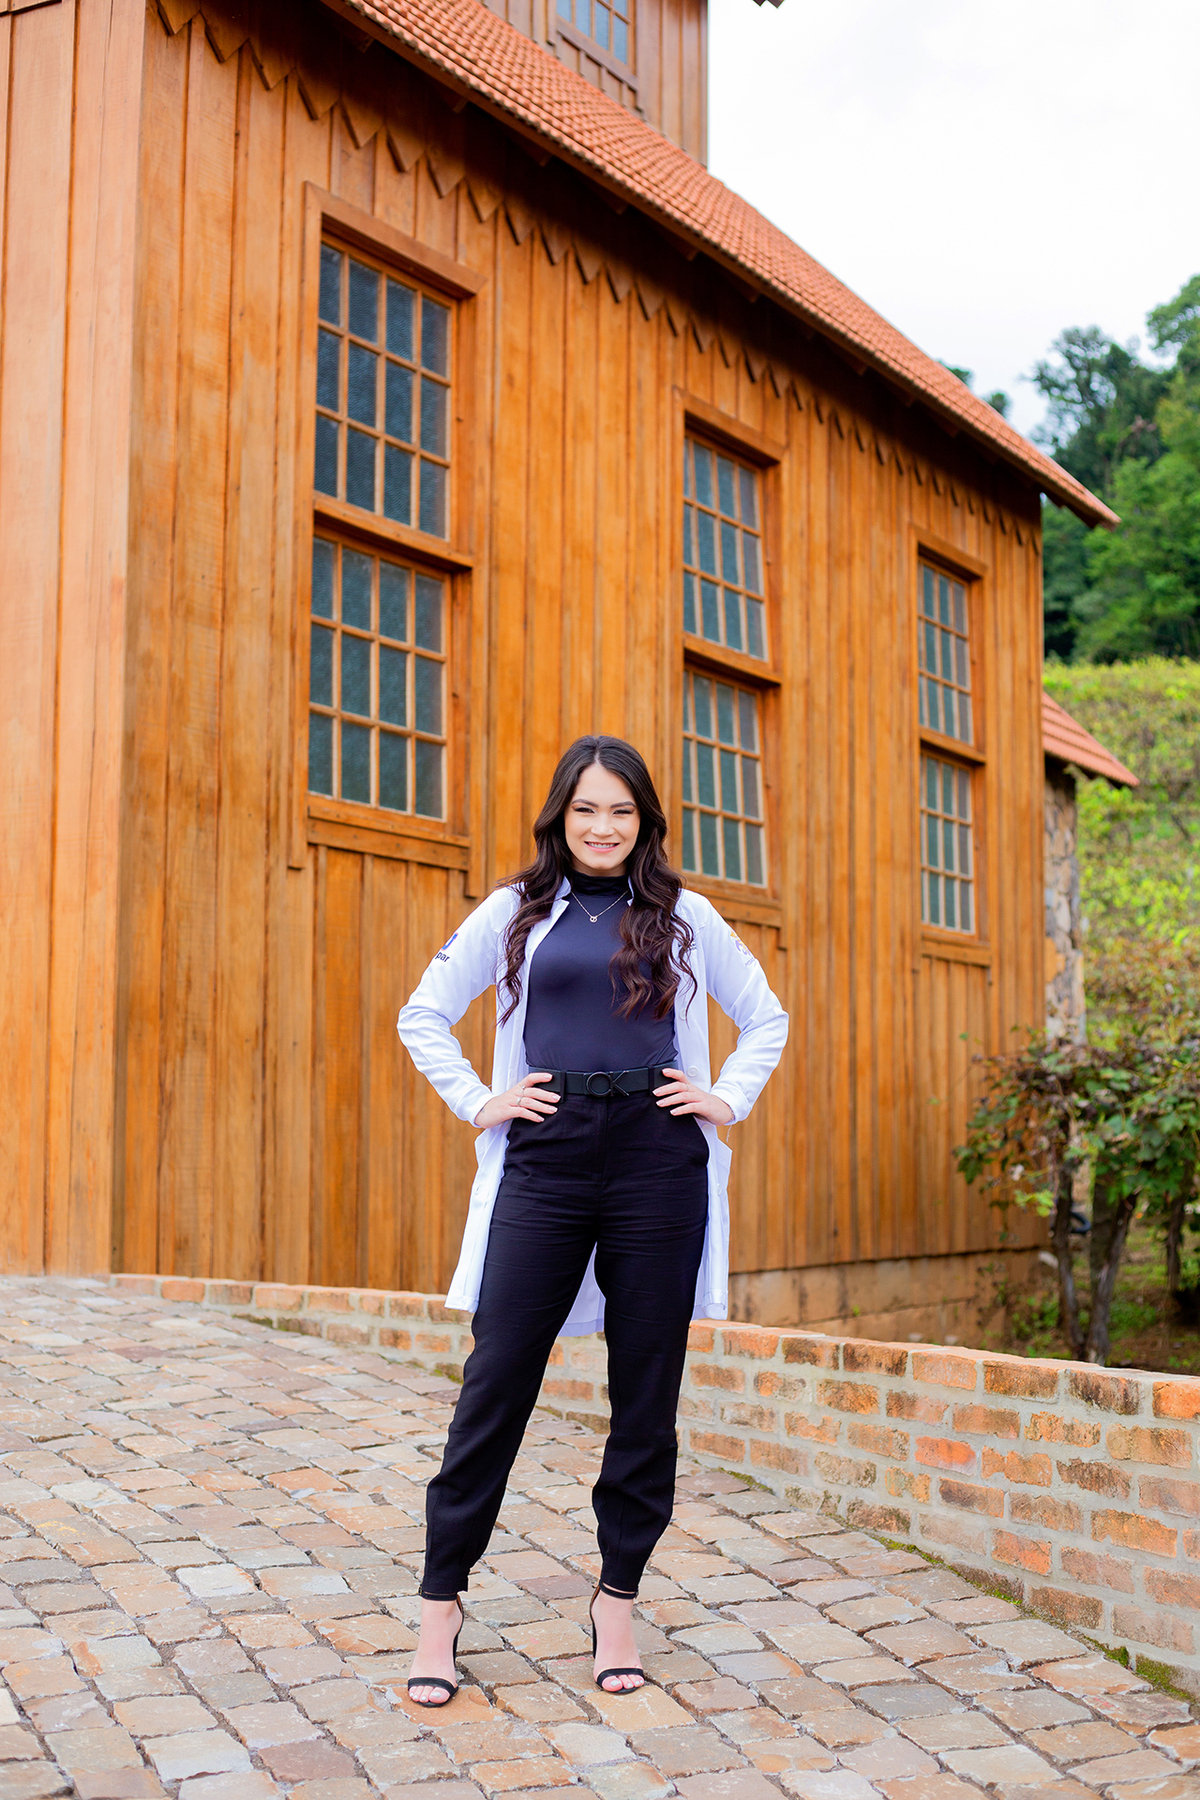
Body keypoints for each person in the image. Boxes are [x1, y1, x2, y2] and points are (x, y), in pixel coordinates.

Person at [396, 736, 787, 1705]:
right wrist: (479, 1099)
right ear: (560, 818)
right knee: (496, 1381)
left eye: (621, 812)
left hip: (658, 1160)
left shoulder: (685, 917)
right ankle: (440, 1608)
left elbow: (766, 1016)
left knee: (645, 1391)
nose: (603, 827)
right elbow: (423, 1013)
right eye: (586, 811)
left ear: (644, 821)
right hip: (547, 1155)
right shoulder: (516, 913)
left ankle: (617, 1603)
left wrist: (725, 1097)